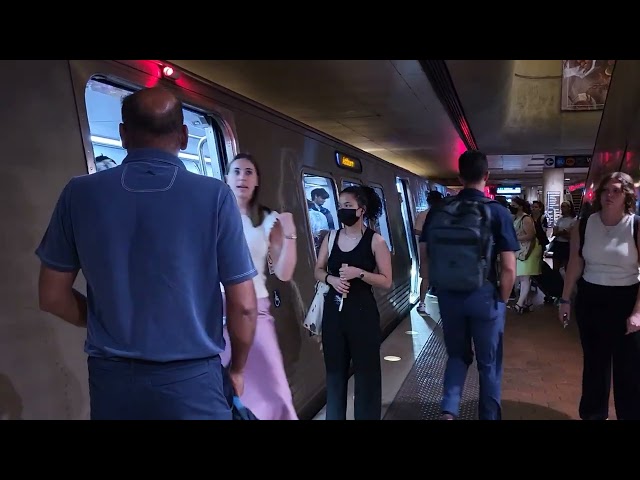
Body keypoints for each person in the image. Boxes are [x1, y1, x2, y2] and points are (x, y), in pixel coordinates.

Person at [35, 87, 258, 420]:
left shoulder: (78, 194)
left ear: (123, 134)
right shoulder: (215, 196)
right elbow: (244, 306)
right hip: (193, 381)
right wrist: (237, 369)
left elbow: (52, 296)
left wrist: (101, 322)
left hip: (113, 383)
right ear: (184, 136)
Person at [421, 150, 519, 420]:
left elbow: (424, 257)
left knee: (456, 356)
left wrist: (436, 287)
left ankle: (449, 411)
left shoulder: (439, 210)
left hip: (449, 296)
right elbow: (509, 267)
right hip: (484, 295)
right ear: (487, 176)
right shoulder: (497, 212)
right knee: (488, 364)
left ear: (459, 176)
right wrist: (502, 297)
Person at [219, 152, 299, 420]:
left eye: (249, 172)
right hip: (215, 313)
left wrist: (290, 233)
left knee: (276, 393)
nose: (242, 176)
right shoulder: (213, 215)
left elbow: (284, 273)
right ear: (226, 178)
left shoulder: (266, 219)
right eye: (237, 171)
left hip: (256, 312)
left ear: (257, 182)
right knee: (222, 393)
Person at [559, 171, 640, 420]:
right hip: (591, 298)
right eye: (606, 190)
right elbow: (576, 262)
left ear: (627, 195)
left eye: (616, 190)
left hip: (626, 299)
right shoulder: (584, 224)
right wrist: (565, 298)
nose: (609, 195)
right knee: (594, 364)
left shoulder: (635, 225)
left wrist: (638, 312)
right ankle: (594, 415)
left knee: (628, 369)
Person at [313, 185, 392, 420]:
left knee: (367, 376)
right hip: (334, 315)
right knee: (335, 375)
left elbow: (386, 281)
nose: (342, 211)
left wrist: (360, 273)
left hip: (362, 314)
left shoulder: (376, 241)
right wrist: (331, 279)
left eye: (348, 206)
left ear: (361, 210)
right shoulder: (332, 237)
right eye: (340, 206)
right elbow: (317, 270)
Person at [414, 190, 443, 314]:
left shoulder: (423, 214)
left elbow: (417, 231)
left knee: (425, 276)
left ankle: (421, 303)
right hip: (440, 247)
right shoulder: (443, 214)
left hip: (424, 245)